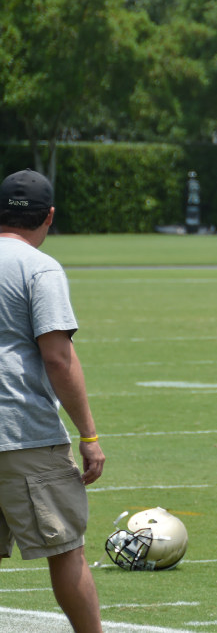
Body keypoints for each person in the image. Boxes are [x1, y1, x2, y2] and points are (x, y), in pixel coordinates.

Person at [0, 169, 106, 633]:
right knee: (66, 547)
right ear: (50, 217)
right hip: (20, 430)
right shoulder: (39, 267)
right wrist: (89, 434)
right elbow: (58, 358)